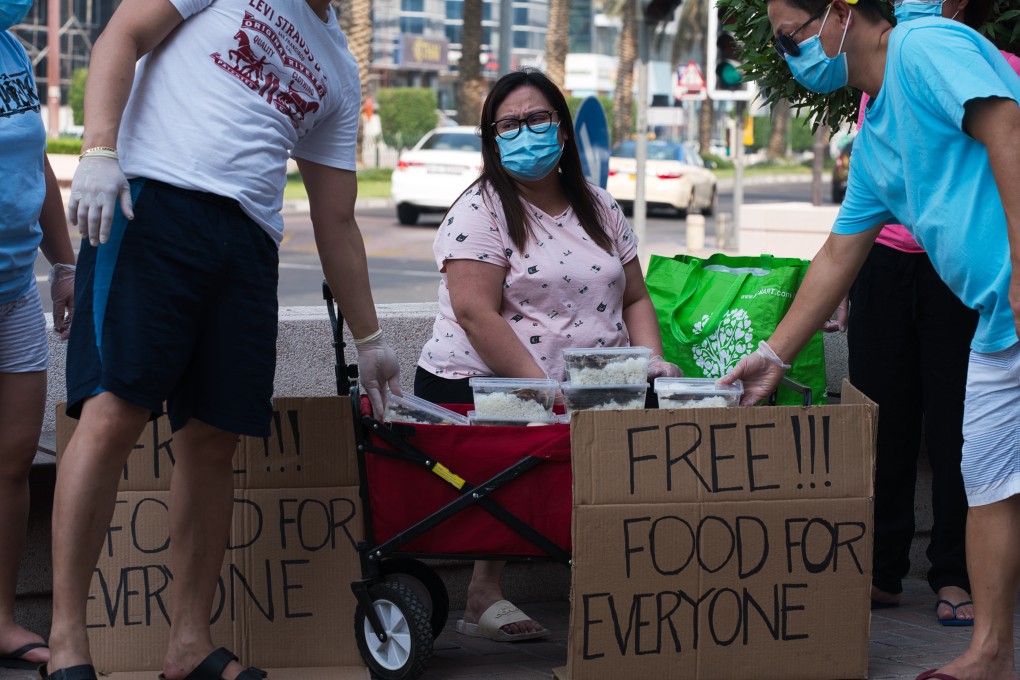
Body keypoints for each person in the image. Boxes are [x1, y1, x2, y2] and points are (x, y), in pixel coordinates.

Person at [46, 1, 400, 678]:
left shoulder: (339, 65)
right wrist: (98, 149)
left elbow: (336, 217)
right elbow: (121, 33)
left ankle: (189, 645)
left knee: (213, 440)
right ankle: (66, 644)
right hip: (152, 202)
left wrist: (371, 337)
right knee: (113, 413)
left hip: (248, 243)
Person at [721, 0, 1020, 678]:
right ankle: (991, 655)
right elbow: (839, 255)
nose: (789, 57)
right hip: (997, 321)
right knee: (989, 482)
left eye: (789, 37)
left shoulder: (923, 45)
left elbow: (1007, 125)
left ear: (839, 14)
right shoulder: (878, 137)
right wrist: (773, 356)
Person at [413, 68, 681, 643]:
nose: (524, 132)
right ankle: (483, 594)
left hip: (591, 382)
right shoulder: (480, 210)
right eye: (507, 124)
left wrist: (652, 363)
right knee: (521, 438)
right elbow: (475, 312)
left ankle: (616, 583)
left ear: (562, 130)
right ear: (492, 140)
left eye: (536, 119)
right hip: (481, 381)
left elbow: (635, 297)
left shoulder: (599, 206)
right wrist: (546, 394)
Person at [847, 0, 1020, 625]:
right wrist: (776, 352)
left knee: (959, 428)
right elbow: (857, 216)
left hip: (965, 280)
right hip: (888, 264)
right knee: (882, 420)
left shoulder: (963, 57)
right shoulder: (883, 74)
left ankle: (954, 575)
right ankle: (880, 568)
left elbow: (1007, 136)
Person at [0, 3, 75, 672]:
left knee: (13, 460)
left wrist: (65, 265)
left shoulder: (12, 50)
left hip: (16, 289)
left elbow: (35, 160)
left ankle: (0, 620)